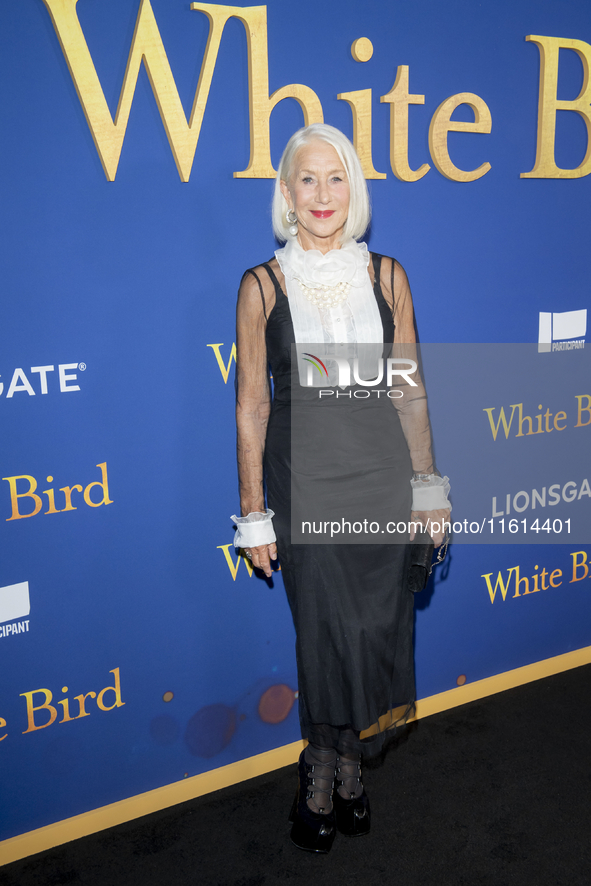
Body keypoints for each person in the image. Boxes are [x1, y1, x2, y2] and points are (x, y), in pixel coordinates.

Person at [232, 124, 451, 853]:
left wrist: (428, 488)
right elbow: (251, 405)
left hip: (383, 481)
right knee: (323, 635)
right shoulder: (261, 286)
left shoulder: (387, 276)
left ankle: (349, 767)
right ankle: (321, 769)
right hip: (305, 484)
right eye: (306, 179)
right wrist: (253, 514)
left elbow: (410, 391)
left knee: (374, 632)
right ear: (286, 194)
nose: (322, 193)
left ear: (351, 190)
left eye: (336, 178)